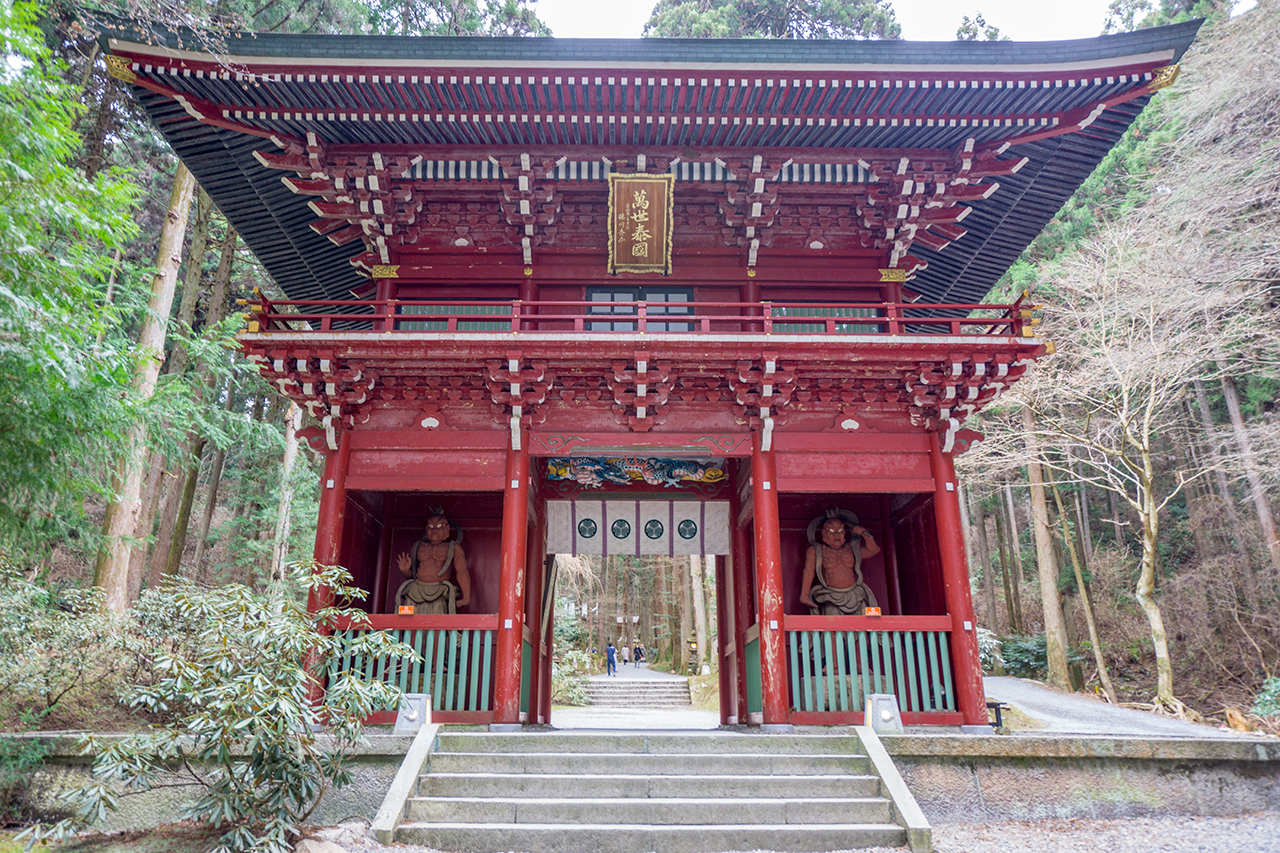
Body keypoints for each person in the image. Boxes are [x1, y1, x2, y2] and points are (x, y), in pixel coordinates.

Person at [800, 514, 880, 616]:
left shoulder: (851, 549)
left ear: (845, 533)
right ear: (824, 533)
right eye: (832, 531)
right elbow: (808, 572)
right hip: (831, 595)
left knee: (863, 625)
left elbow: (873, 550)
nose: (837, 534)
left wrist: (865, 534)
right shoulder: (816, 551)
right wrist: (804, 595)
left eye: (840, 531)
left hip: (855, 594)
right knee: (833, 627)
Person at [395, 513, 471, 614]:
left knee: (436, 623)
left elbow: (462, 571)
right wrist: (405, 571)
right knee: (408, 618)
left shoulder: (453, 547)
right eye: (431, 526)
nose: (434, 529)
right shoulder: (418, 546)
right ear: (426, 530)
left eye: (439, 526)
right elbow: (412, 575)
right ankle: (406, 629)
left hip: (439, 591)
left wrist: (466, 597)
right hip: (415, 590)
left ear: (447, 529)